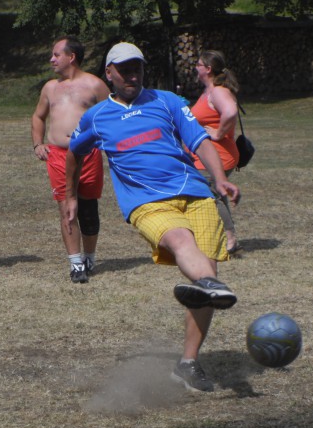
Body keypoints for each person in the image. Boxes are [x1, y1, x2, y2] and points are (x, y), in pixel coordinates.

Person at [64, 42, 240, 392]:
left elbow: (200, 140)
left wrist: (219, 178)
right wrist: (70, 195)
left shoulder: (167, 101)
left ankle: (187, 364)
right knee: (181, 242)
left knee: (207, 281)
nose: (132, 75)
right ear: (109, 74)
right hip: (145, 201)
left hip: (195, 192)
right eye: (124, 70)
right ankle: (209, 287)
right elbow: (74, 153)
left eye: (138, 68)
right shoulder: (97, 116)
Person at [31, 36, 110, 283]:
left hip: (89, 154)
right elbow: (38, 117)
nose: (51, 59)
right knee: (66, 207)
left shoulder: (95, 85)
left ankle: (90, 257)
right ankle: (76, 263)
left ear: (71, 57)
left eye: (56, 55)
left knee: (88, 210)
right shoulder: (50, 88)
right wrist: (38, 143)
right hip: (58, 155)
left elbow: (112, 117)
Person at [189, 50, 241, 254]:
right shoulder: (209, 91)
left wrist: (218, 133)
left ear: (208, 69)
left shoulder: (218, 91)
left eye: (198, 64)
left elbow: (231, 111)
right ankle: (226, 237)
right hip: (207, 156)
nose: (195, 68)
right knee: (216, 193)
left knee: (210, 195)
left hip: (216, 156)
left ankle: (229, 239)